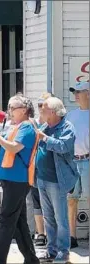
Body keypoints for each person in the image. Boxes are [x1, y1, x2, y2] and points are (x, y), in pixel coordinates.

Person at [0, 95, 39, 264]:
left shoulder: (27, 128)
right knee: (18, 222)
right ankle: (31, 259)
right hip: (11, 180)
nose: (9, 111)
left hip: (17, 180)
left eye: (12, 108)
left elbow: (14, 148)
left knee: (6, 221)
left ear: (24, 110)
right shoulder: (14, 127)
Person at [36, 97, 79, 263]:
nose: (41, 111)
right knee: (48, 217)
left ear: (53, 112)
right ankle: (51, 250)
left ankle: (63, 252)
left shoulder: (67, 127)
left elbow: (63, 147)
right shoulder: (45, 127)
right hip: (42, 178)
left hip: (57, 180)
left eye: (44, 108)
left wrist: (45, 138)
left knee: (60, 219)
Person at [27, 92, 52, 246]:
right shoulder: (33, 123)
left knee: (51, 203)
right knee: (37, 201)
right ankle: (40, 233)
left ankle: (51, 234)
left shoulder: (54, 123)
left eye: (45, 105)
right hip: (36, 168)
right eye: (39, 105)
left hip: (51, 169)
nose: (41, 108)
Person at [66, 82, 89, 248]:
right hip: (73, 162)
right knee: (71, 200)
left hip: (88, 161)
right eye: (75, 92)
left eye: (79, 92)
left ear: (88, 93)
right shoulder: (70, 116)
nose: (76, 95)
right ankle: (72, 236)